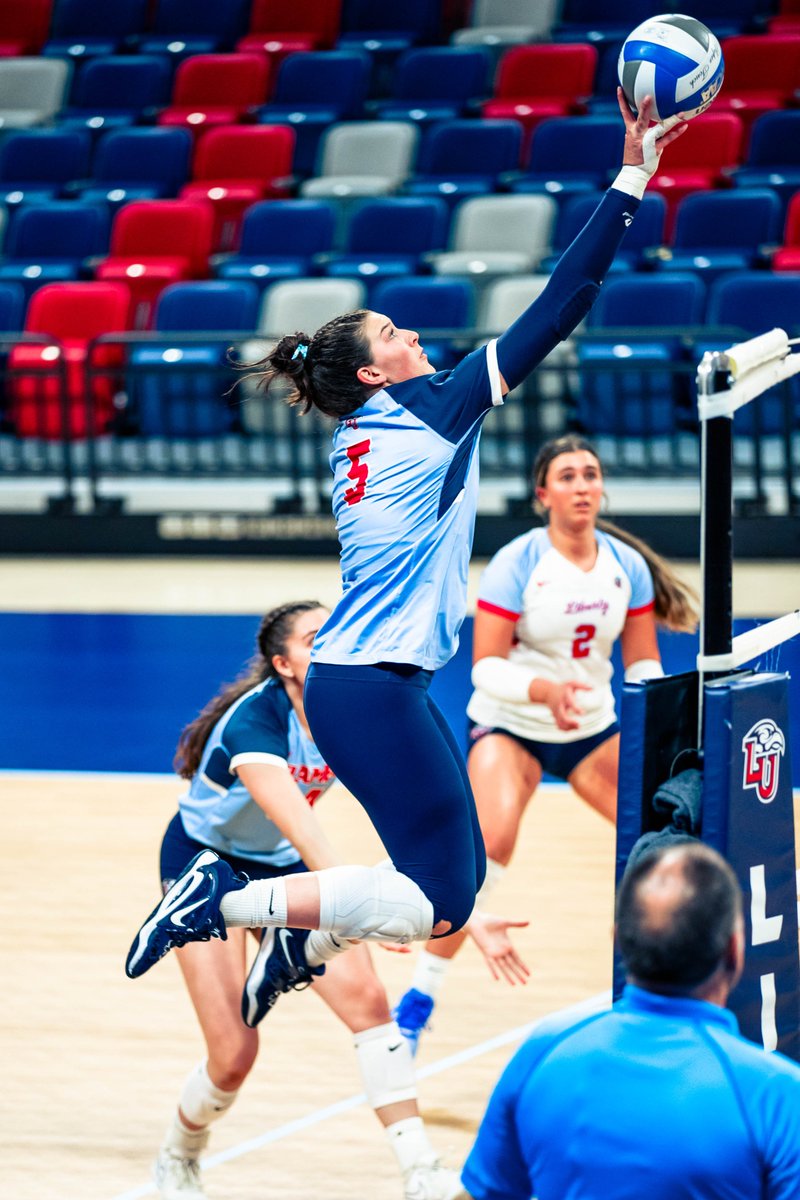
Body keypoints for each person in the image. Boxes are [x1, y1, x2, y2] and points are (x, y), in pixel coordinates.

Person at [125, 91, 688, 981]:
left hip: (375, 682)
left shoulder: (359, 433)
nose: (414, 333)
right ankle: (221, 899)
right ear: (370, 373)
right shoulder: (425, 410)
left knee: (456, 885)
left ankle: (300, 946)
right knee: (442, 904)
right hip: (371, 687)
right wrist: (633, 175)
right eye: (393, 332)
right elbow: (561, 304)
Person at [149, 601, 522, 1200]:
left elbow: (407, 821)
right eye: (313, 637)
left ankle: (421, 1171)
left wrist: (457, 906)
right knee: (234, 1053)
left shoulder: (338, 709)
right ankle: (177, 1156)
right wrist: (381, 909)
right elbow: (305, 832)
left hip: (281, 862)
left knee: (371, 1006)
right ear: (283, 664)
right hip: (206, 866)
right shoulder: (255, 723)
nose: (330, 643)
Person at [393, 434, 697, 1052]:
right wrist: (544, 690)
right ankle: (419, 999)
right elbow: (485, 668)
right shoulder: (518, 562)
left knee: (662, 842)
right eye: (568, 476)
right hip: (511, 724)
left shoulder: (626, 565)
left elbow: (642, 663)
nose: (582, 485)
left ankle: (643, 994)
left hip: (590, 729)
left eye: (590, 474)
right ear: (543, 494)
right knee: (488, 851)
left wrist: (662, 714)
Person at [461, 841, 800, 1200]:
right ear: (734, 951)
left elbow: (485, 1192)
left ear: (618, 938)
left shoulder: (542, 1051)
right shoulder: (776, 1093)